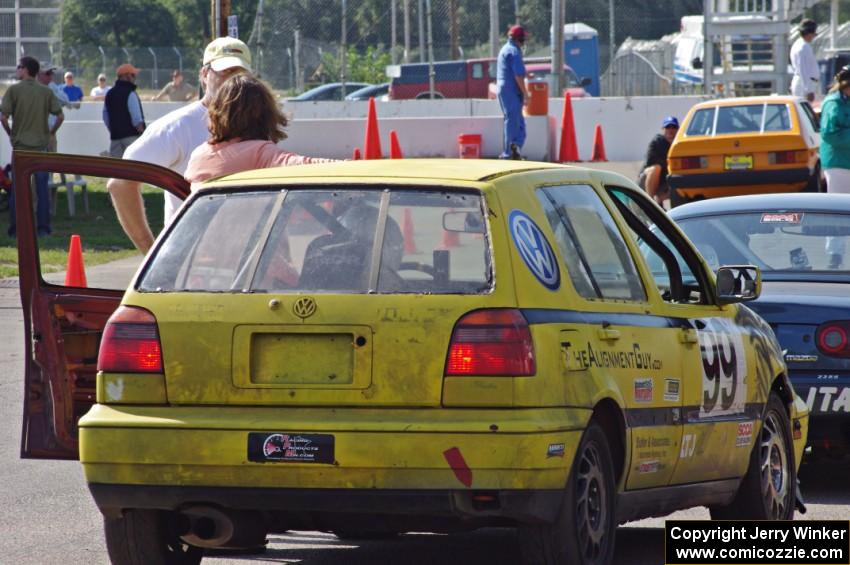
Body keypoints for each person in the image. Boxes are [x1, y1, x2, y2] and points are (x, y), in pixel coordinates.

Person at [107, 36, 252, 254]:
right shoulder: (178, 127)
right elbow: (120, 183)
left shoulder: (257, 124)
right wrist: (152, 253)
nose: (232, 81)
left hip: (248, 264)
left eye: (239, 74)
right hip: (193, 267)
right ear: (204, 75)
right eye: (224, 72)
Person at [185, 74, 335, 191]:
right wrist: (354, 166)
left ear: (216, 113)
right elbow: (308, 167)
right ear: (264, 115)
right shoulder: (259, 152)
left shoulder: (199, 155)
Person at [0, 56, 64, 237]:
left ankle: (15, 229)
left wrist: (11, 134)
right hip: (40, 148)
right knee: (42, 189)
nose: (18, 70)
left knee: (18, 191)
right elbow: (60, 116)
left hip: (20, 148)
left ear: (26, 69)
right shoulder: (46, 92)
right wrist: (50, 133)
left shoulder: (14, 90)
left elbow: (3, 117)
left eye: (19, 66)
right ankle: (43, 228)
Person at [819, 65, 850, 268]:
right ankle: (835, 254)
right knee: (838, 208)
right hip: (838, 163)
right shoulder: (833, 104)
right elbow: (829, 134)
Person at [496, 25, 528, 160]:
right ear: (519, 39)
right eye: (523, 40)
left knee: (515, 122)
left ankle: (513, 149)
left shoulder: (504, 49)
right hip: (511, 90)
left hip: (504, 88)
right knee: (514, 122)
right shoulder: (514, 51)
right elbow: (518, 76)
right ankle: (509, 152)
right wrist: (526, 94)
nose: (524, 43)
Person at [104, 63, 145, 157]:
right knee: (134, 166)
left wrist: (113, 130)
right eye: (133, 75)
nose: (135, 78)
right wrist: (142, 135)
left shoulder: (110, 93)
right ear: (126, 76)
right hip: (131, 137)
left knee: (116, 168)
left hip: (115, 138)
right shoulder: (130, 93)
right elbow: (136, 118)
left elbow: (105, 117)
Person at [639, 116, 679, 205]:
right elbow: (650, 160)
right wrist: (668, 164)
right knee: (656, 168)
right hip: (647, 179)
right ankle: (650, 203)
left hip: (666, 181)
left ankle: (661, 205)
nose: (671, 130)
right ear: (663, 129)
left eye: (674, 127)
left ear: (678, 129)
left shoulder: (679, 144)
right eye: (668, 127)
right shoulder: (657, 141)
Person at [37, 66, 70, 153]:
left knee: (52, 162)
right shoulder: (33, 88)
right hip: (35, 133)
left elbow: (65, 100)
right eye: (47, 74)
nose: (50, 76)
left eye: (51, 74)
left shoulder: (52, 86)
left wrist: (50, 87)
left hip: (50, 132)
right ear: (39, 75)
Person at [791, 19, 819, 103]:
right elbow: (804, 70)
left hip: (804, 84)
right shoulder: (803, 47)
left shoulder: (799, 44)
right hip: (804, 86)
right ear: (809, 33)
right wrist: (808, 90)